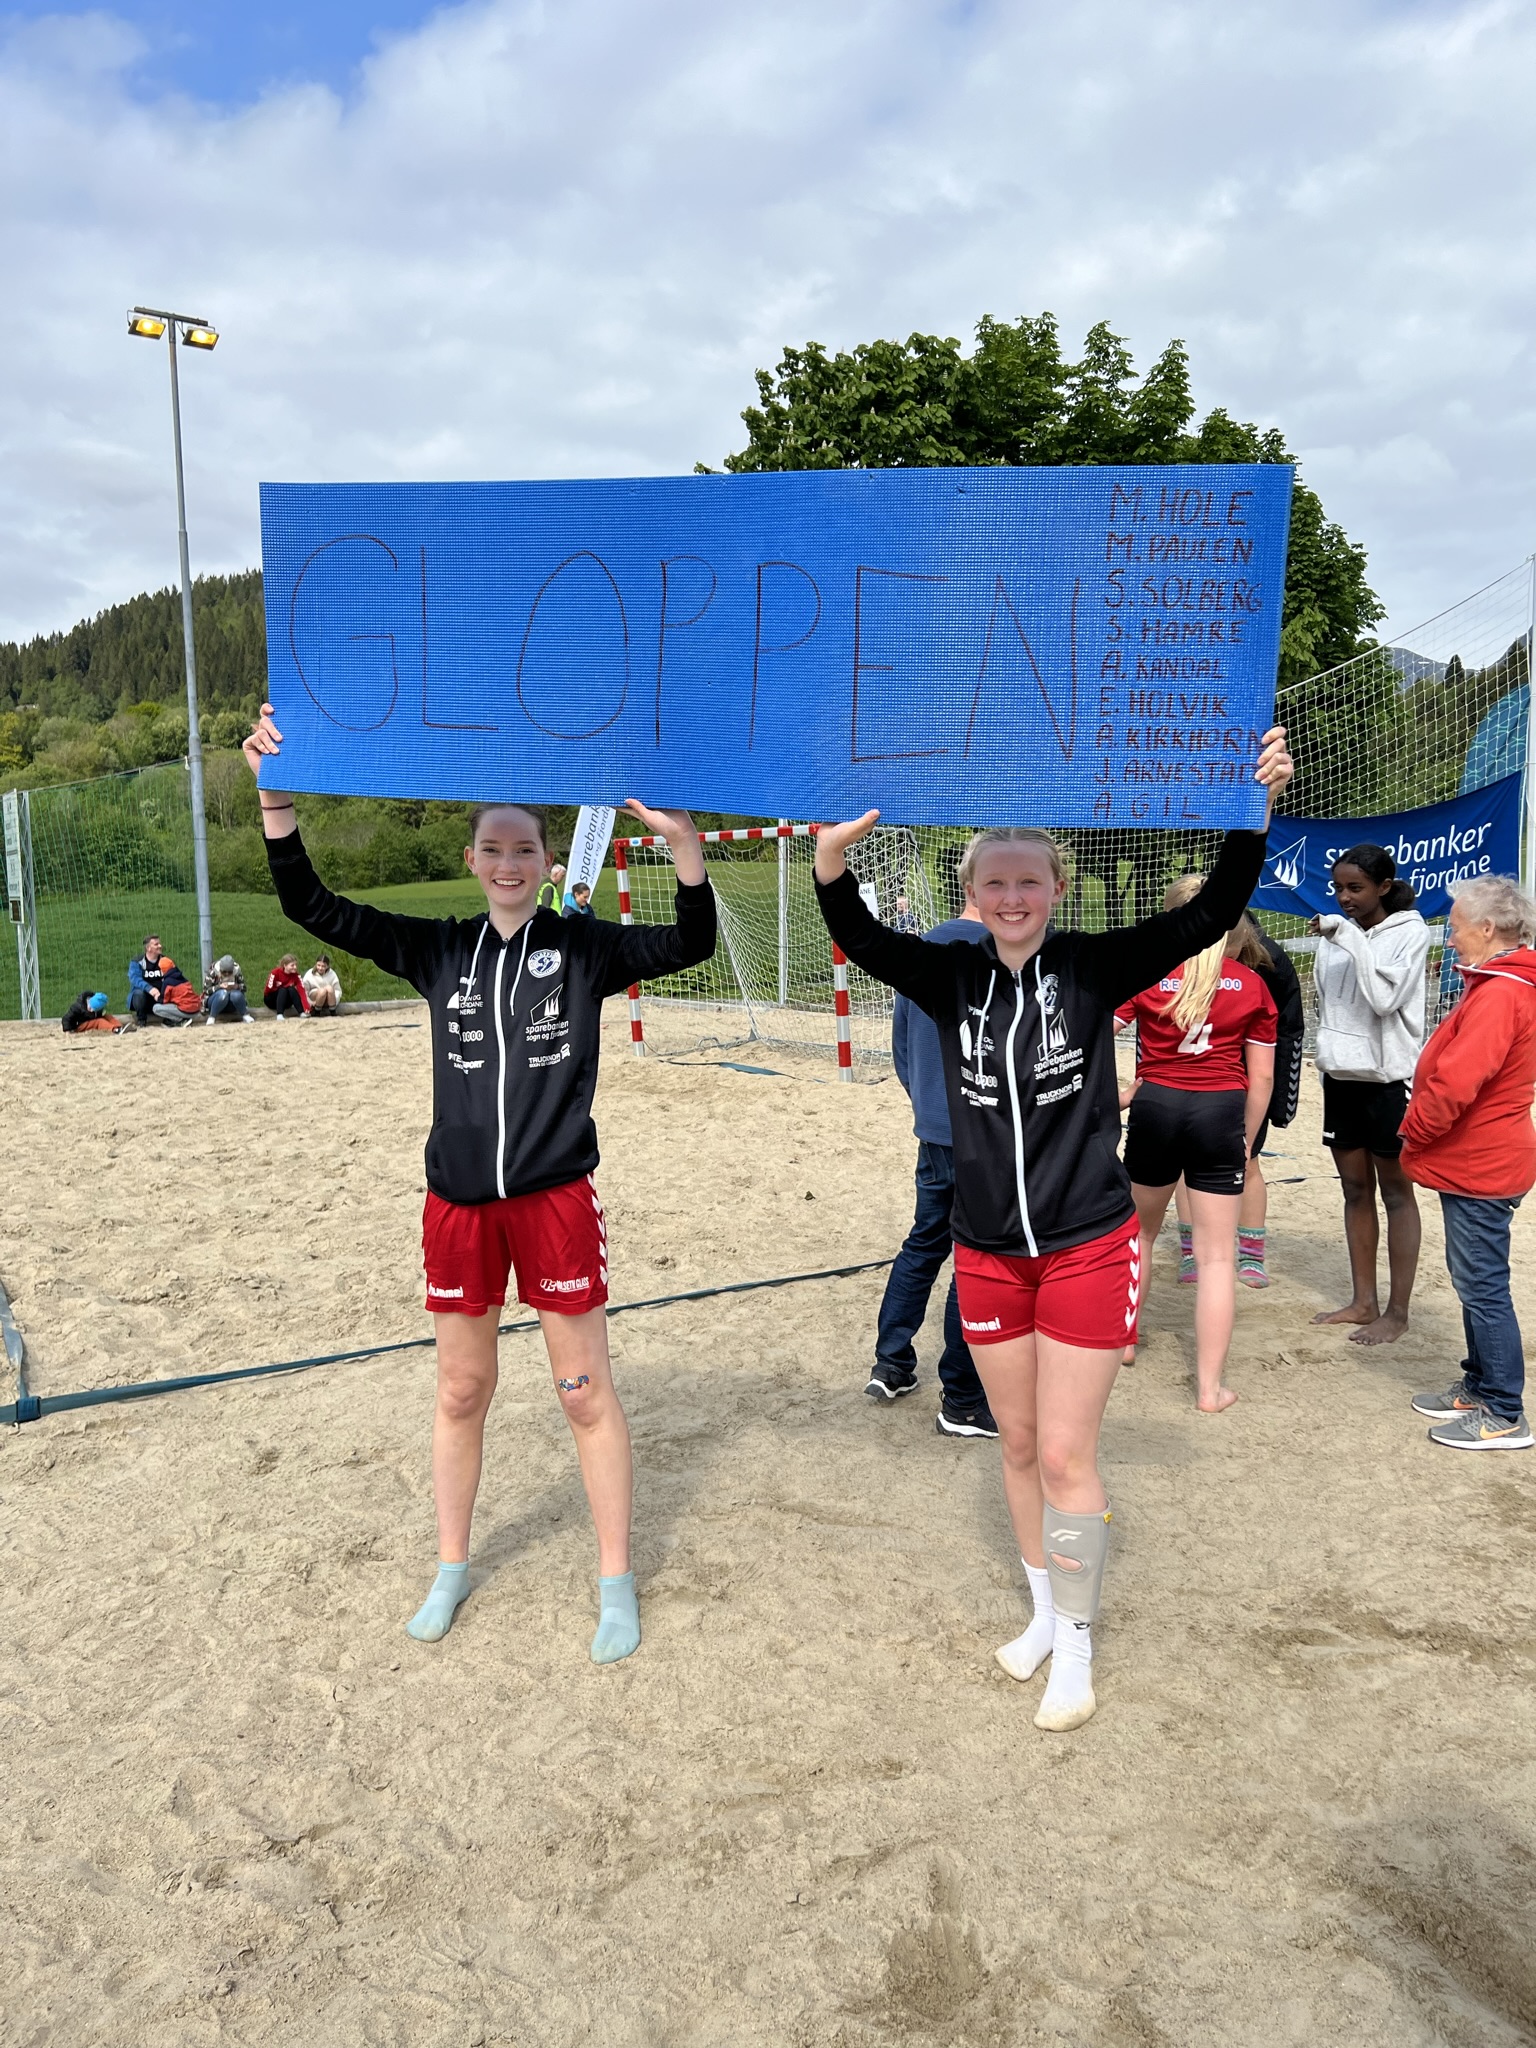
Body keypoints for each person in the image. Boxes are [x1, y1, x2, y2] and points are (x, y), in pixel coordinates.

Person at [814, 726, 1293, 1731]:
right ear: (971, 892)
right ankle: (1043, 1612)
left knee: (1070, 1454)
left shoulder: (1091, 966)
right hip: (989, 1255)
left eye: (1028, 880)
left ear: (1056, 888)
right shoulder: (950, 975)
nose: (1012, 896)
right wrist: (830, 861)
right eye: (994, 882)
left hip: (1086, 1246)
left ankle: (1076, 1645)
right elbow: (860, 936)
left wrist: (1254, 812)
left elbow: (1210, 909)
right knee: (1020, 1443)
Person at [243, 702, 716, 1662]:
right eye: (493, 848)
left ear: (548, 862)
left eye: (524, 849)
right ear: (471, 860)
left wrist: (685, 852)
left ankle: (614, 1582)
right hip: (458, 1208)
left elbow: (689, 943)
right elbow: (316, 909)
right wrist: (277, 807)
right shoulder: (438, 950)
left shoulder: (582, 948)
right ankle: (451, 1567)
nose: (508, 862)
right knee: (461, 1391)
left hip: (554, 1204)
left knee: (582, 1393)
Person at [1115, 878, 1278, 1412]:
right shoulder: (1252, 985)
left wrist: (1117, 1095)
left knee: (1137, 1234)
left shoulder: (1149, 973)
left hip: (1156, 1106)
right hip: (1219, 1113)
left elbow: (1089, 1032)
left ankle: (1125, 1341)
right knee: (1216, 1258)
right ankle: (1209, 1389)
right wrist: (1245, 1142)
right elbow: (1262, 1079)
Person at [1402, 875, 1536, 1451]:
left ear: (1486, 928)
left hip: (1483, 1161)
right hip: (1480, 1156)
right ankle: (1481, 1386)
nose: (1450, 937)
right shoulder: (1502, 985)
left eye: (1455, 927)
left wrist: (1414, 1130)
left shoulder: (1502, 992)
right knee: (1473, 1278)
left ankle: (1504, 1410)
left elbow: (1457, 1081)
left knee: (1482, 1285)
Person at [871, 894, 998, 1440]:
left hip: (936, 1129)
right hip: (985, 1135)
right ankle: (963, 1397)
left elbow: (901, 1049)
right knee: (974, 1256)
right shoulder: (1003, 951)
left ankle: (890, 1363)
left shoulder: (920, 950)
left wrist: (927, 1106)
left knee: (925, 1241)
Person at [1309, 843, 1429, 1344]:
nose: (1344, 898)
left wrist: (1347, 937)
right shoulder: (1336, 935)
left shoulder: (1412, 933)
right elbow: (1329, 1007)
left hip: (1389, 1083)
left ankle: (1397, 1313)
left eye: (1355, 888)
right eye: (1338, 887)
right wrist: (1342, 936)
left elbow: (1383, 1000)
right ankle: (1364, 1302)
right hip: (1342, 1079)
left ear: (1383, 886)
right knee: (1355, 1191)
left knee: (1397, 1194)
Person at [1170, 914, 1304, 1288]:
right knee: (1185, 1165)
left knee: (1248, 1161)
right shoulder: (1177, 956)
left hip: (1244, 1081)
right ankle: (1192, 1252)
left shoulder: (1269, 964)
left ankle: (1251, 1255)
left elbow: (1289, 1030)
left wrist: (1281, 1103)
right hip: (1188, 1076)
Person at [127, 935, 190, 1026]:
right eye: (156, 944)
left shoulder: (166, 961)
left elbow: (176, 977)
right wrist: (150, 989)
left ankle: (173, 1019)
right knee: (138, 993)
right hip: (144, 998)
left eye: (159, 943)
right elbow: (135, 979)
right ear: (148, 948)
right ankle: (141, 1021)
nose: (160, 946)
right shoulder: (137, 962)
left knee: (173, 991)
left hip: (161, 997)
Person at [203, 954, 252, 1023]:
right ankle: (212, 1017)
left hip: (231, 1003)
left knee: (236, 995)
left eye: (229, 972)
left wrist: (237, 986)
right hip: (215, 1001)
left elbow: (244, 988)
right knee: (223, 993)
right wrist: (219, 986)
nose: (227, 974)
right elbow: (206, 990)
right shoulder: (213, 973)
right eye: (224, 972)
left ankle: (245, 1015)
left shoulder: (237, 973)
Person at [263, 954, 310, 1019]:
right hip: (272, 1000)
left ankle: (301, 1012)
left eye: (296, 965)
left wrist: (306, 1007)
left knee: (291, 989)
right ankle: (279, 1014)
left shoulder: (296, 976)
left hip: (286, 1002)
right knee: (283, 989)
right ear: (285, 965)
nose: (295, 967)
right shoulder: (275, 973)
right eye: (292, 965)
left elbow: (302, 991)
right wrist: (280, 987)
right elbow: (268, 990)